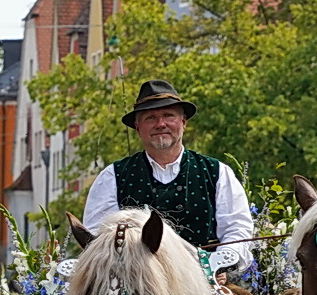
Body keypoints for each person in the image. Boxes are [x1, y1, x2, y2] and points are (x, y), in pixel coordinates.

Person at [80, 79, 254, 276]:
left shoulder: (216, 172)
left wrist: (219, 265)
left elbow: (237, 230)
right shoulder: (112, 177)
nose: (160, 124)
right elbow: (97, 238)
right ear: (138, 128)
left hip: (206, 284)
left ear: (183, 122)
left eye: (168, 115)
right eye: (150, 118)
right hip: (138, 290)